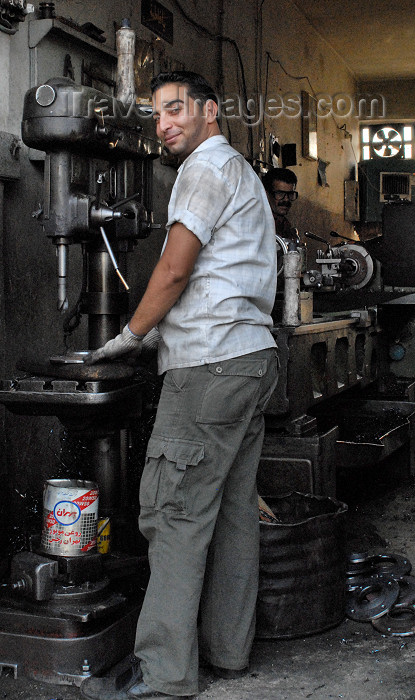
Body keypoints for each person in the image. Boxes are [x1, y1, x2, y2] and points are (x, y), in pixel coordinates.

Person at [81, 70, 278, 700]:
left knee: (173, 515)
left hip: (209, 365)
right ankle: (228, 652)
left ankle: (164, 673)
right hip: (250, 361)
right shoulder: (242, 172)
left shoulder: (203, 169)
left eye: (175, 110)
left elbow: (172, 269)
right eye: (157, 115)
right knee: (231, 518)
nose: (164, 124)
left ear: (209, 111)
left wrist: (132, 335)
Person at [262, 167, 299, 242]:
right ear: (266, 194)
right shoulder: (259, 223)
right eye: (280, 193)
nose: (286, 199)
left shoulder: (284, 225)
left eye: (290, 194)